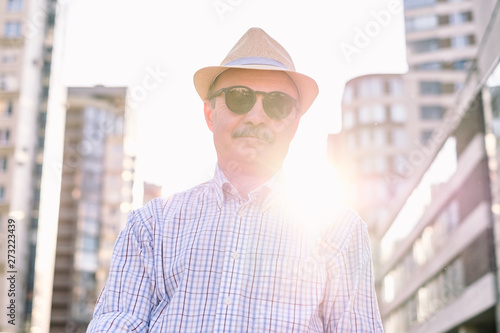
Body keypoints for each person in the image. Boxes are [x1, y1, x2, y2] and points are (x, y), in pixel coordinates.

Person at [87, 27, 383, 332]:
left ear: (294, 124)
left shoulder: (341, 231)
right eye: (239, 98)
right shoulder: (150, 227)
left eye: (277, 103)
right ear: (210, 114)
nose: (256, 116)